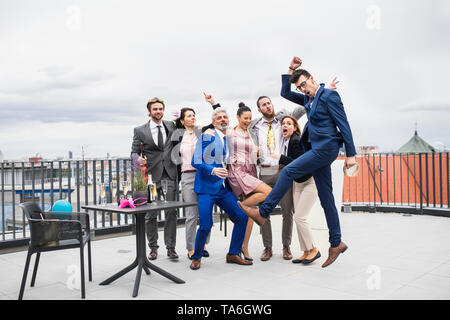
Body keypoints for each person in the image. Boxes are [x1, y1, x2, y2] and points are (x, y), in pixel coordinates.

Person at [240, 56, 356, 268]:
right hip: (317, 150)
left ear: (312, 78)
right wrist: (291, 69)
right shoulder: (308, 100)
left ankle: (262, 212)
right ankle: (336, 243)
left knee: (288, 171)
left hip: (326, 148)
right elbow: (285, 93)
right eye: (300, 87)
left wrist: (351, 154)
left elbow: (344, 123)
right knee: (327, 197)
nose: (303, 89)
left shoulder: (329, 95)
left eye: (304, 84)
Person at [204, 98, 272, 261]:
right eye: (245, 118)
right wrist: (213, 104)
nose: (248, 121)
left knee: (248, 214)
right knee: (268, 192)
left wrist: (256, 152)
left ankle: (243, 247)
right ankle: (241, 207)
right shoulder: (230, 131)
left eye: (250, 118)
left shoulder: (251, 132)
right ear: (238, 118)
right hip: (237, 171)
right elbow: (219, 120)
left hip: (250, 170)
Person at [189, 107, 253, 270]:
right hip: (206, 189)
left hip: (223, 189)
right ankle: (196, 257)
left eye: (225, 117)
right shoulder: (207, 136)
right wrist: (212, 169)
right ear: (213, 122)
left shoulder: (228, 138)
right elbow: (195, 161)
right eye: (219, 118)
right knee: (205, 224)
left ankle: (233, 253)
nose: (223, 119)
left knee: (242, 217)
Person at [130, 97, 179, 261]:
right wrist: (138, 159)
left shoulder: (171, 126)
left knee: (171, 212)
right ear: (149, 111)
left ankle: (171, 247)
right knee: (151, 214)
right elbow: (134, 152)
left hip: (170, 174)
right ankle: (153, 248)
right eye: (155, 109)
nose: (158, 111)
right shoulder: (139, 130)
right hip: (151, 176)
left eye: (160, 109)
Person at [174, 93, 220, 260]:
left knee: (205, 213)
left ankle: (203, 244)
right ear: (182, 120)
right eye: (189, 116)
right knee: (192, 215)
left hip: (204, 175)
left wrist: (213, 103)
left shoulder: (201, 131)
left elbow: (218, 121)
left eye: (194, 115)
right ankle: (191, 248)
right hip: (187, 176)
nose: (192, 118)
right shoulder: (178, 136)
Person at [269, 115, 320, 265]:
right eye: (283, 123)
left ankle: (314, 249)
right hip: (299, 183)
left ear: (295, 128)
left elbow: (299, 163)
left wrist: (280, 157)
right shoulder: (287, 141)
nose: (285, 125)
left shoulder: (296, 140)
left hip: (310, 182)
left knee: (300, 217)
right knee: (298, 217)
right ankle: (306, 251)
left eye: (289, 124)